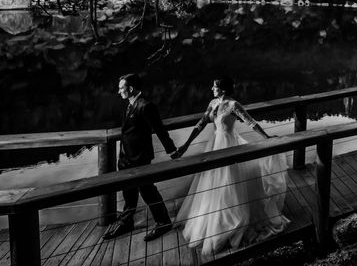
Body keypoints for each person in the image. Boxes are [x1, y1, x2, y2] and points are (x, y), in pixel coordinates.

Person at [171, 76, 290, 260]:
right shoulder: (212, 103)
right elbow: (201, 124)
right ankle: (212, 220)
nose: (212, 88)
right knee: (211, 183)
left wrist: (267, 137)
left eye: (215, 86)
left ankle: (232, 221)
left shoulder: (234, 105)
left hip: (229, 145)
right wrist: (185, 146)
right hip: (214, 145)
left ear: (223, 89)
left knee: (229, 183)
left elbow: (251, 122)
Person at [103, 73, 178, 242]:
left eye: (121, 88)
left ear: (130, 89)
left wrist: (171, 150)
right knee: (128, 192)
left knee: (147, 190)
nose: (119, 91)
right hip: (125, 157)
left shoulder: (146, 105)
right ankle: (126, 222)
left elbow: (159, 129)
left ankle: (164, 222)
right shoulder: (130, 104)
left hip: (140, 158)